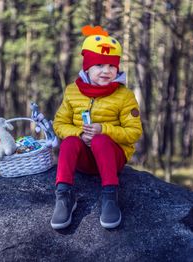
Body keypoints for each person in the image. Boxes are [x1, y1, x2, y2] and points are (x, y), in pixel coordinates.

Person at [51, 25, 142, 230]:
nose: (106, 71)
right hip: (83, 159)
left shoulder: (124, 95)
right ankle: (64, 196)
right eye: (99, 65)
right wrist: (79, 133)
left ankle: (110, 197)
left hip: (112, 157)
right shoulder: (73, 91)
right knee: (70, 141)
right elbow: (59, 123)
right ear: (87, 67)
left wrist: (105, 130)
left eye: (111, 66)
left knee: (100, 140)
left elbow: (134, 132)